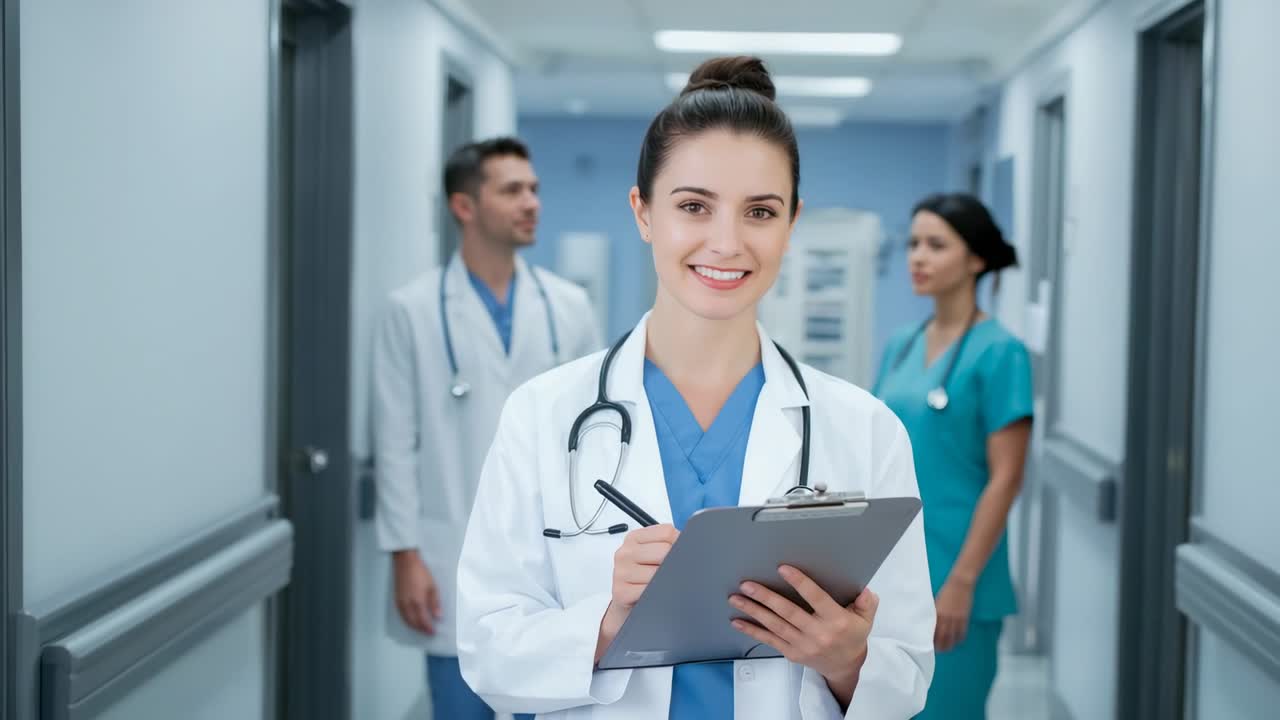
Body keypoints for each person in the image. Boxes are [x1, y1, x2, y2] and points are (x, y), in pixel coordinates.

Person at [454, 56, 935, 719]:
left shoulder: (864, 428)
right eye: (693, 206)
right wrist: (609, 623)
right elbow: (486, 649)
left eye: (760, 212)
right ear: (643, 211)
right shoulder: (542, 416)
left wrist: (848, 660)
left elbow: (908, 675)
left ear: (793, 222)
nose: (727, 242)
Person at [372, 136, 602, 720]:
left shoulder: (568, 307)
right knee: (458, 704)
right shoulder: (412, 311)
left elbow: (596, 437)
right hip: (450, 552)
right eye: (512, 190)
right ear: (464, 206)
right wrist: (405, 555)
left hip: (553, 552)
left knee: (549, 696)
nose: (532, 203)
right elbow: (395, 441)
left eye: (534, 189)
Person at [872, 193, 1033, 719]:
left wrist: (960, 583)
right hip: (896, 567)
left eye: (936, 245)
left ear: (976, 260)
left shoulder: (1000, 351)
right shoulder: (901, 343)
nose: (918, 257)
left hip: (959, 572)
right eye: (914, 244)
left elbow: (1006, 478)